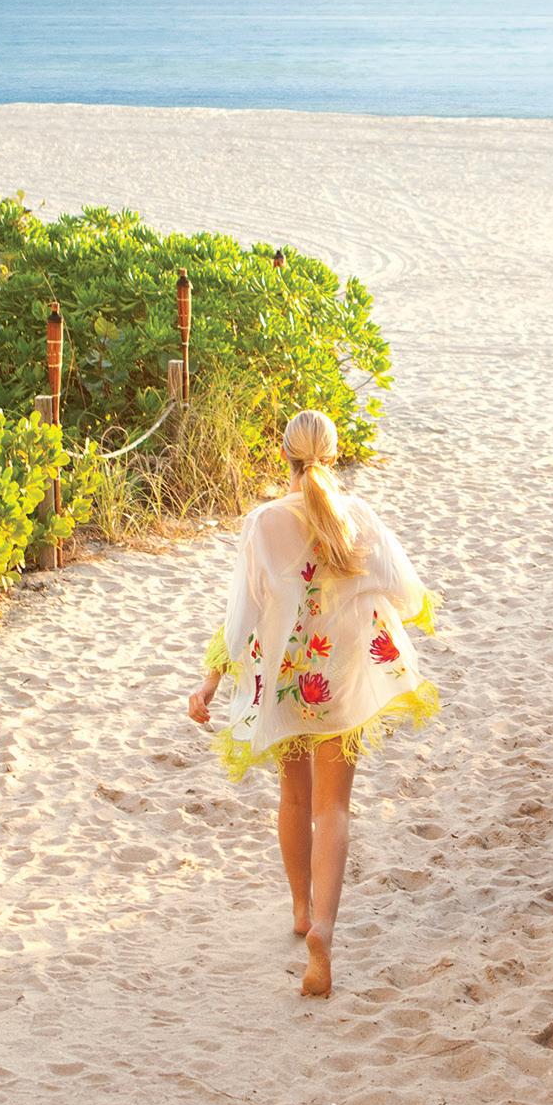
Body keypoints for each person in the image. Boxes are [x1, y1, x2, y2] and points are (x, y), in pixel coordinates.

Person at [185, 410, 438, 997]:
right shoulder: (359, 516)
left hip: (285, 677)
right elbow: (406, 593)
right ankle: (325, 926)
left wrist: (210, 682)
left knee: (294, 797)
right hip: (340, 679)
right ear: (334, 453)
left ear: (284, 456)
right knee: (334, 808)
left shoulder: (264, 522)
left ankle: (300, 911)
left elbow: (241, 614)